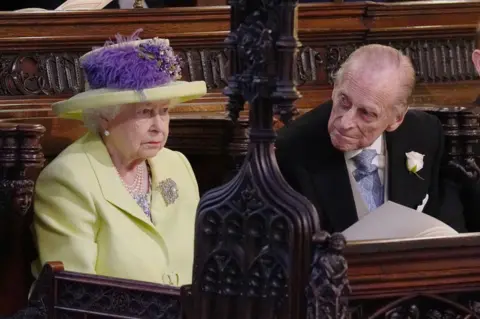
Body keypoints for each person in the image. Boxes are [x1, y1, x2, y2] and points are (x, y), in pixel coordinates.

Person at [31, 29, 207, 286]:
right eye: (146, 112)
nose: (160, 126)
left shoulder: (176, 165)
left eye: (165, 111)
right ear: (105, 116)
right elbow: (75, 293)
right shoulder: (68, 179)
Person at [275, 44, 467, 234]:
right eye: (344, 101)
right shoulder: (292, 149)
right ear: (335, 88)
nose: (345, 123)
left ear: (396, 119)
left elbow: (444, 224)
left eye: (366, 113)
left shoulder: (424, 133)